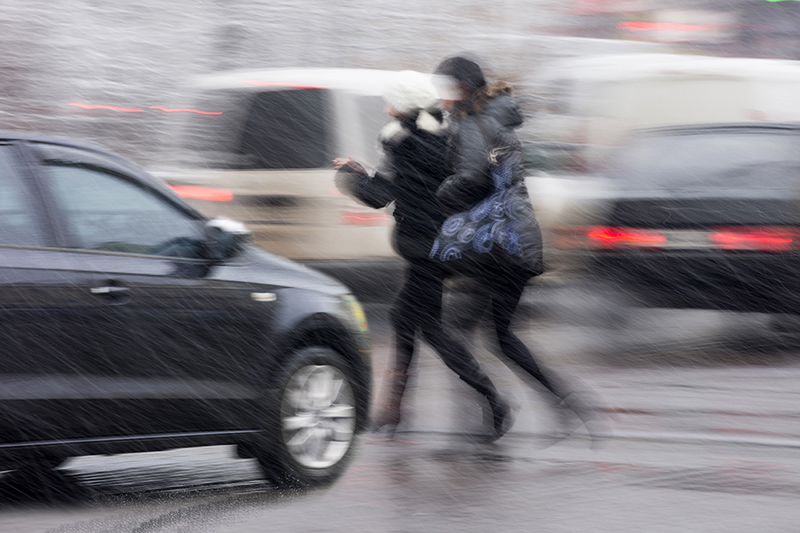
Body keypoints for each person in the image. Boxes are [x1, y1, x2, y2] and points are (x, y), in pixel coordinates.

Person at [333, 70, 512, 440]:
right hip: (449, 244)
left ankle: (494, 401)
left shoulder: (401, 142)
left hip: (425, 249)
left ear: (401, 108)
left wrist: (350, 175)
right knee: (403, 319)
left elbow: (378, 195)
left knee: (429, 328)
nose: (385, 108)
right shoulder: (446, 137)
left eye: (390, 102)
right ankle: (394, 410)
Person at [432, 56, 595, 436]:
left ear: (463, 88)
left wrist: (437, 194)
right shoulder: (494, 119)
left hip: (495, 245)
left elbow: (472, 178)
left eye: (446, 89)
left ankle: (493, 412)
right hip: (515, 242)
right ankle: (564, 404)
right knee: (499, 335)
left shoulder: (475, 123)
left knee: (455, 330)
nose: (441, 99)